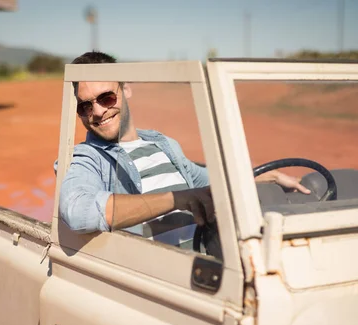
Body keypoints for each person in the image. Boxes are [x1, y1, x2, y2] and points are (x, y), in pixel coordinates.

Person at [58, 51, 309, 243]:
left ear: (127, 89)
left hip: (207, 258)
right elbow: (77, 210)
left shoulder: (163, 144)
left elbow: (213, 180)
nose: (98, 111)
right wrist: (178, 199)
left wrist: (271, 176)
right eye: (86, 106)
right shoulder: (89, 157)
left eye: (106, 97)